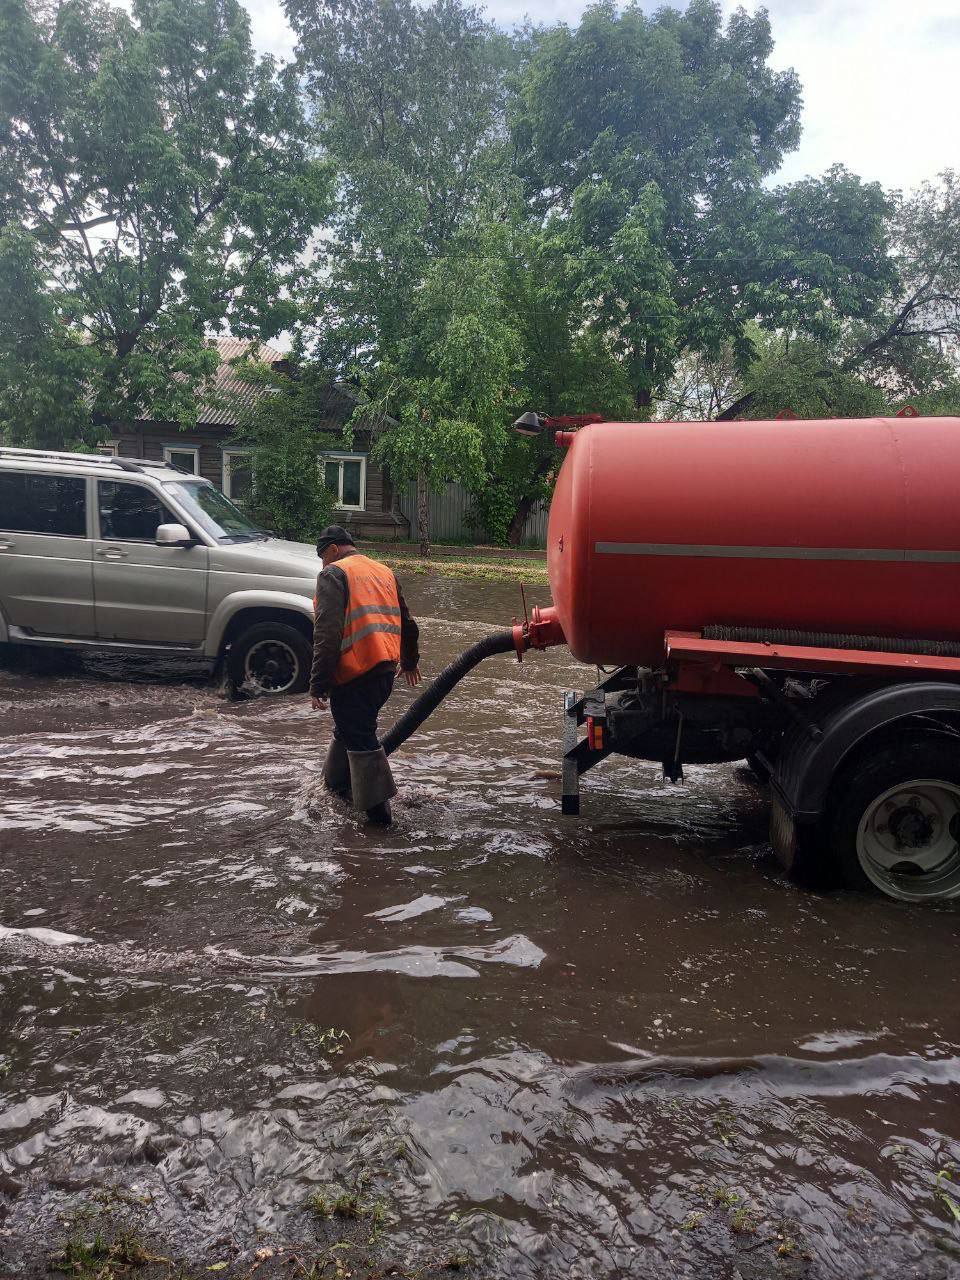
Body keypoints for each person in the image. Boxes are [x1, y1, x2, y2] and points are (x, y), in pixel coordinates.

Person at [309, 525, 422, 825]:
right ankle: (333, 788)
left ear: (332, 549)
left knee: (361, 740)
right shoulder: (383, 571)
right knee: (350, 728)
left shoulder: (333, 574)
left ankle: (381, 821)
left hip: (354, 674)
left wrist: (318, 683)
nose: (323, 564)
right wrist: (409, 662)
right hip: (384, 672)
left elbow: (327, 633)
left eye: (323, 557)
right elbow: (409, 624)